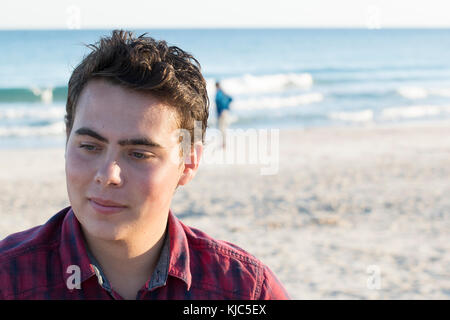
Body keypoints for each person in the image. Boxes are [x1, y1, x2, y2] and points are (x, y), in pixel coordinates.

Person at [0, 30, 289, 300]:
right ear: (67, 141)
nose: (107, 175)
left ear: (189, 163)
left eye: (138, 154)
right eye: (90, 147)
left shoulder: (245, 291)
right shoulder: (8, 279)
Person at [215, 81, 232, 149]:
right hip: (226, 112)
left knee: (222, 128)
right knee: (224, 128)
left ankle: (223, 144)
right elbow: (230, 99)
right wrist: (227, 106)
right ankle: (224, 143)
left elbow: (219, 101)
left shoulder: (218, 93)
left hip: (221, 113)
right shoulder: (223, 93)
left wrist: (222, 109)